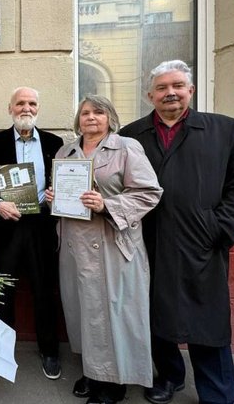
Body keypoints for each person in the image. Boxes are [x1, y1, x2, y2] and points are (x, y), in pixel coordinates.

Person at [120, 60, 234, 404]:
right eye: (162, 87)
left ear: (191, 90)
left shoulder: (225, 130)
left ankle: (217, 393)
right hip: (147, 241)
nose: (170, 93)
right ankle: (169, 376)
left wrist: (220, 228)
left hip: (202, 242)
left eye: (178, 86)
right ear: (149, 95)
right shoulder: (130, 135)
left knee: (206, 321)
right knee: (154, 314)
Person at [45, 96, 162, 404]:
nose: (91, 117)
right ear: (78, 119)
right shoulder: (65, 151)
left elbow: (149, 193)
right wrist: (52, 197)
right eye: (85, 112)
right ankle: (93, 370)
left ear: (110, 117)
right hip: (74, 245)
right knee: (82, 311)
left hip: (112, 244)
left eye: (98, 112)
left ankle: (113, 383)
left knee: (112, 313)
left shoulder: (126, 148)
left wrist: (107, 205)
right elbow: (65, 195)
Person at [0, 86, 64, 379]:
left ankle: (49, 351)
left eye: (32, 103)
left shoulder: (54, 142)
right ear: (10, 108)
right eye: (20, 103)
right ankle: (2, 347)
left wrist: (56, 195)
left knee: (44, 291)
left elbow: (66, 182)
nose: (27, 108)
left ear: (38, 108)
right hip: (6, 228)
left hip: (42, 228)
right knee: (4, 291)